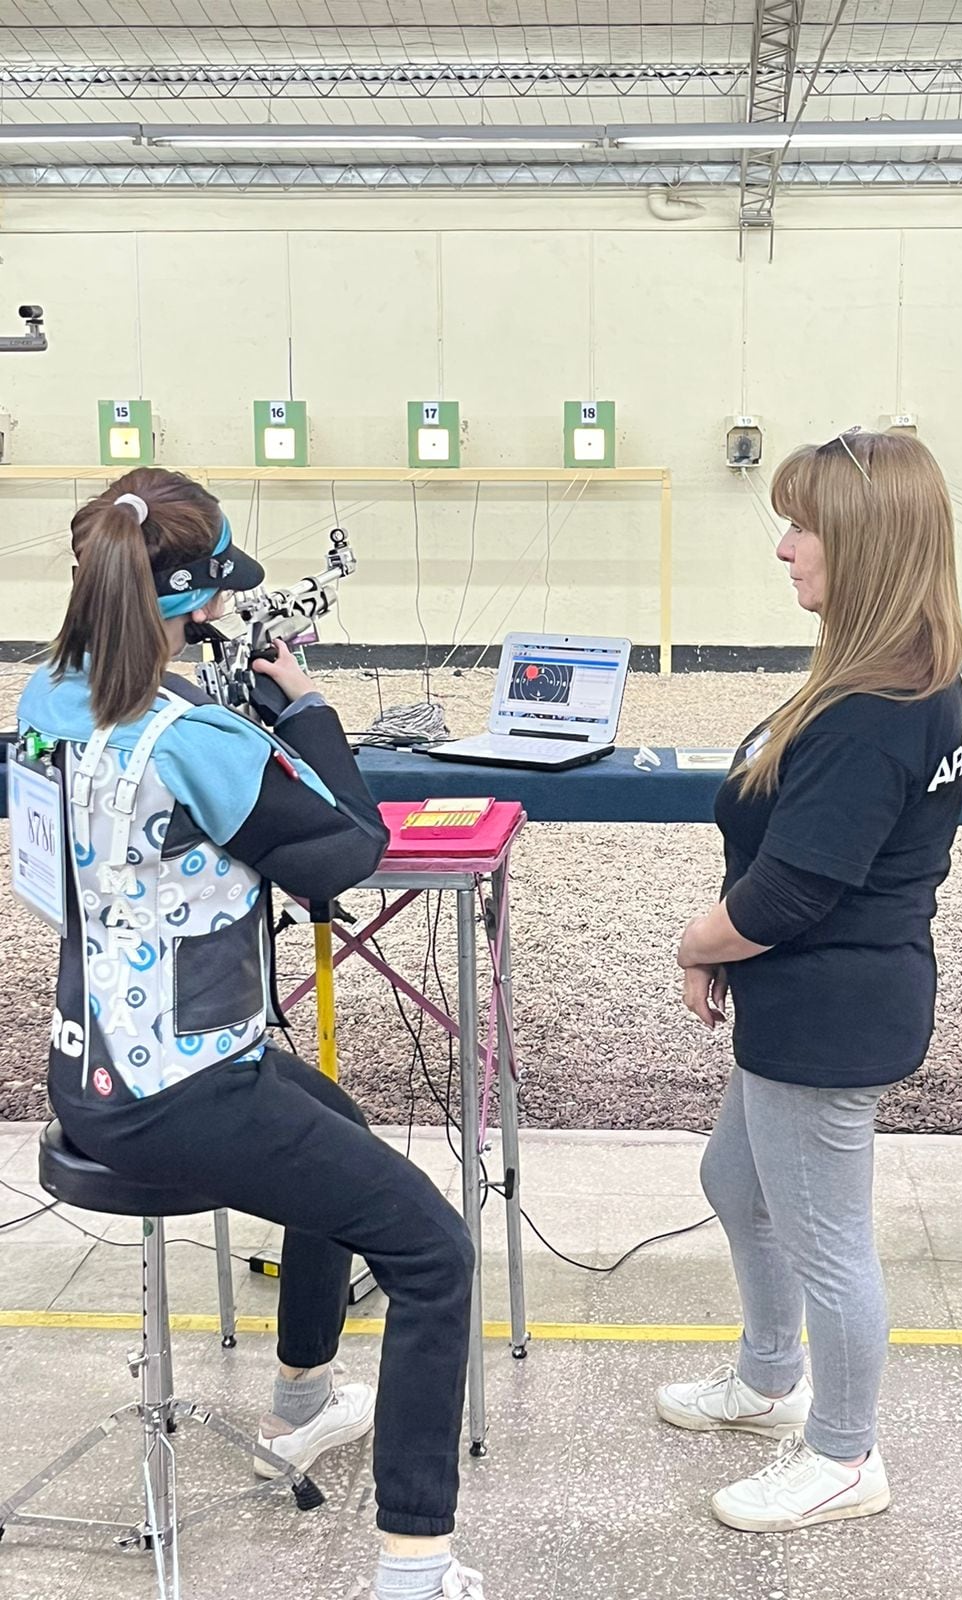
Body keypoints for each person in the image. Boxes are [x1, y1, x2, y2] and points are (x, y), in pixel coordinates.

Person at [16, 468, 485, 1600]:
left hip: (93, 1069)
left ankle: (303, 1399)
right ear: (197, 607)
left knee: (339, 1122)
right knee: (433, 1255)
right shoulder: (196, 738)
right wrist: (305, 712)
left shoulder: (46, 698)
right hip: (184, 1097)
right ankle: (416, 1563)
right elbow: (346, 848)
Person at [659, 429, 962, 1534]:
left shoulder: (873, 710)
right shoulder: (901, 674)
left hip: (827, 1009)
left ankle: (843, 1453)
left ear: (869, 546)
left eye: (804, 528)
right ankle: (765, 1376)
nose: (784, 547)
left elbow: (792, 891)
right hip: (817, 997)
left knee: (828, 1239)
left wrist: (698, 941)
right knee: (736, 1182)